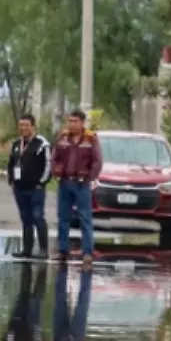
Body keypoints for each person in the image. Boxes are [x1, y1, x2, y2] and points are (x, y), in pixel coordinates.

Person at [51, 109, 102, 265]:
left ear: (82, 123)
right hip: (65, 182)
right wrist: (56, 171)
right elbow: (54, 157)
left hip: (82, 184)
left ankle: (87, 252)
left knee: (85, 218)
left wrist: (90, 177)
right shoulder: (63, 137)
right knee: (63, 218)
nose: (71, 124)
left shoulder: (91, 139)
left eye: (75, 121)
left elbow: (97, 161)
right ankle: (63, 251)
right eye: (70, 121)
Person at [7, 113, 52, 259]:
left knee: (38, 217)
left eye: (26, 125)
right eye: (21, 125)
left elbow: (48, 165)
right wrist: (11, 180)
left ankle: (43, 250)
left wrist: (41, 183)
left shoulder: (42, 144)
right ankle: (27, 249)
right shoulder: (16, 144)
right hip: (20, 189)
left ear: (33, 126)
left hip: (36, 189)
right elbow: (11, 163)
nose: (23, 128)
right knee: (25, 218)